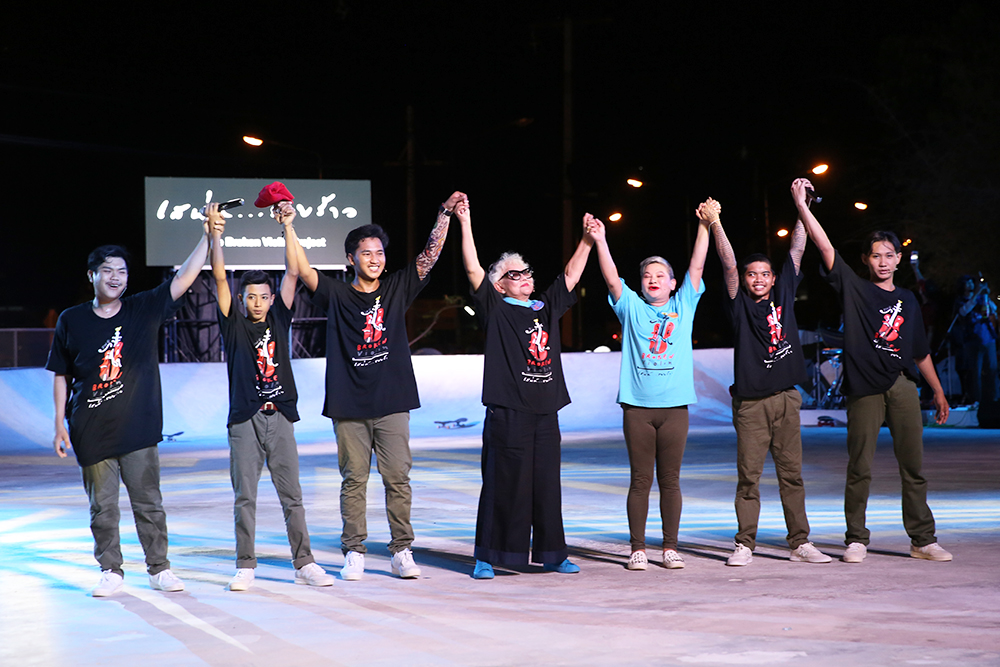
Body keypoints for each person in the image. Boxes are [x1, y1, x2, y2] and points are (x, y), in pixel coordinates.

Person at [291, 189, 465, 580]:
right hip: (349, 405)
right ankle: (354, 551)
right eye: (366, 253)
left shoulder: (396, 288)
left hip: (392, 402)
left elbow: (429, 256)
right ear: (351, 259)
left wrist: (444, 214)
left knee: (397, 478)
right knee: (354, 480)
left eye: (380, 253)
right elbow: (303, 271)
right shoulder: (336, 295)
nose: (375, 259)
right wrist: (288, 225)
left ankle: (401, 549)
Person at [792, 177, 953, 563]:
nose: (883, 261)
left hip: (902, 388)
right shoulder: (855, 289)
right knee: (859, 467)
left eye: (889, 255)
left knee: (913, 467)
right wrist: (802, 206)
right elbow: (825, 246)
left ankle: (922, 539)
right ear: (866, 259)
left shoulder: (909, 300)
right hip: (864, 389)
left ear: (899, 258)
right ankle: (856, 539)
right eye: (876, 255)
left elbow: (919, 352)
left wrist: (939, 390)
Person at [46, 225, 212, 597]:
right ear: (92, 275)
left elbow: (185, 276)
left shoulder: (142, 309)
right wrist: (59, 424)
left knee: (149, 503)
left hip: (138, 429)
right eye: (107, 270)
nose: (115, 278)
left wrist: (207, 235)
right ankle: (111, 570)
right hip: (90, 429)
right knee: (102, 509)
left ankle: (159, 569)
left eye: (121, 271)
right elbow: (61, 374)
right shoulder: (71, 319)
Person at [458, 198, 594, 579]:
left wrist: (586, 240)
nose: (526, 278)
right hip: (508, 411)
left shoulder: (544, 309)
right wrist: (466, 222)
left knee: (547, 485)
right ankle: (489, 555)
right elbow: (471, 268)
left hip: (544, 410)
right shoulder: (497, 308)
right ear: (499, 285)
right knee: (505, 484)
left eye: (527, 272)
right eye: (516, 274)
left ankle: (552, 553)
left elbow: (569, 277)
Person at [207, 187, 334, 592]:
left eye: (264, 295)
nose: (259, 302)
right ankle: (245, 564)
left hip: (278, 416)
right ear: (241, 300)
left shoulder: (280, 318)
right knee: (245, 497)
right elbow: (220, 276)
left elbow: (294, 272)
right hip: (244, 418)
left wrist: (288, 226)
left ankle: (305, 562)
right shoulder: (234, 324)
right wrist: (216, 236)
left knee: (291, 496)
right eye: (252, 297)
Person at [708, 196, 831, 566]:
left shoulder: (784, 292)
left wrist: (800, 207)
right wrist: (715, 222)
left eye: (764, 273)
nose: (759, 279)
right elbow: (728, 263)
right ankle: (745, 543)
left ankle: (800, 543)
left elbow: (797, 247)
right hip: (750, 404)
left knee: (791, 475)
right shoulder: (739, 304)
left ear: (774, 279)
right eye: (752, 275)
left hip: (786, 399)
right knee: (749, 478)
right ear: (744, 282)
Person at [588, 202, 710, 571]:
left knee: (670, 480)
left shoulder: (684, 304)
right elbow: (611, 279)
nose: (653, 279)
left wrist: (705, 225)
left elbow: (698, 266)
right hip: (637, 409)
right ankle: (637, 548)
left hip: (675, 410)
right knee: (640, 480)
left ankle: (670, 547)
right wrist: (600, 241)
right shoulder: (631, 309)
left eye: (660, 275)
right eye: (646, 276)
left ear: (673, 283)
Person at [953, 274, 998, 405]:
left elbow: (993, 309)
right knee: (975, 372)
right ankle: (977, 400)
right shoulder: (961, 300)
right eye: (967, 283)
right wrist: (977, 294)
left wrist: (986, 295)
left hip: (988, 338)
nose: (971, 285)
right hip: (972, 340)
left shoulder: (981, 298)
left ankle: (994, 399)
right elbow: (963, 312)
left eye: (972, 282)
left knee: (992, 370)